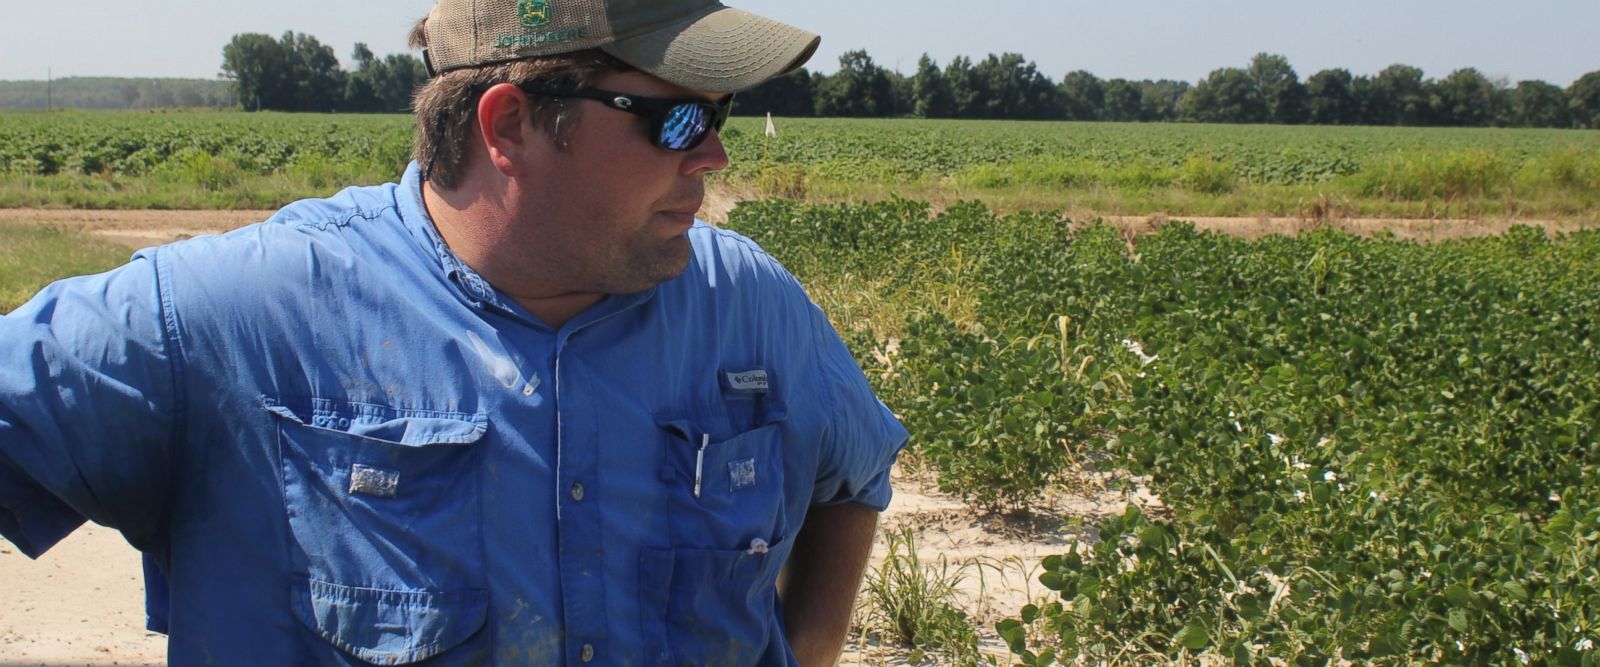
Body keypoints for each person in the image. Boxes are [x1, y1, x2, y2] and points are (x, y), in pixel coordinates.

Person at [0, 0, 907, 664]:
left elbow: (854, 475)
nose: (713, 153)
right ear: (509, 123)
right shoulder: (235, 316)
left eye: (721, 115)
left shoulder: (747, 306)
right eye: (677, 118)